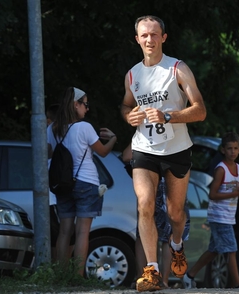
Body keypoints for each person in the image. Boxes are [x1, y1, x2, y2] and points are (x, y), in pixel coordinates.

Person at [120, 15, 206, 292]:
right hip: (144, 148)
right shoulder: (132, 75)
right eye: (144, 35)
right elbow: (125, 106)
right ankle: (152, 271)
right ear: (137, 39)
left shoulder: (178, 69)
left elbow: (200, 111)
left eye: (154, 35)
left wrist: (169, 117)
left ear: (163, 38)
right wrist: (129, 116)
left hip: (177, 149)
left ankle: (177, 244)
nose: (149, 40)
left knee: (175, 213)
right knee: (144, 203)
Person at [47, 87, 117, 276]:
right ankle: (77, 276)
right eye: (85, 104)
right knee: (82, 232)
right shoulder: (84, 127)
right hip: (86, 182)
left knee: (64, 231)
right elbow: (102, 152)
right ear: (75, 104)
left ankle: (60, 275)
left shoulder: (52, 129)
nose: (87, 109)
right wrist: (113, 139)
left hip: (62, 185)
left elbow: (49, 155)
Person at [182, 132, 239, 290]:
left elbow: (236, 192)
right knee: (232, 249)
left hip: (229, 215)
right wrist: (236, 193)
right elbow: (213, 195)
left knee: (214, 250)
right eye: (229, 148)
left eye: (235, 148)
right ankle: (238, 284)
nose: (232, 152)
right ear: (223, 150)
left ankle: (189, 275)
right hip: (219, 216)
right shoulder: (221, 169)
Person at [122, 144, 191, 288]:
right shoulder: (146, 131)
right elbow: (127, 156)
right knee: (164, 235)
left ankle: (149, 277)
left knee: (150, 235)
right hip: (158, 187)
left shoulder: (160, 132)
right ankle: (158, 279)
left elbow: (127, 156)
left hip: (158, 186)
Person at [46, 104, 75, 262]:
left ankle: (58, 269)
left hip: (53, 192)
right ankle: (62, 269)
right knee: (66, 231)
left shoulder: (49, 131)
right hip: (60, 189)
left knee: (60, 232)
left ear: (49, 120)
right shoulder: (67, 132)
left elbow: (47, 152)